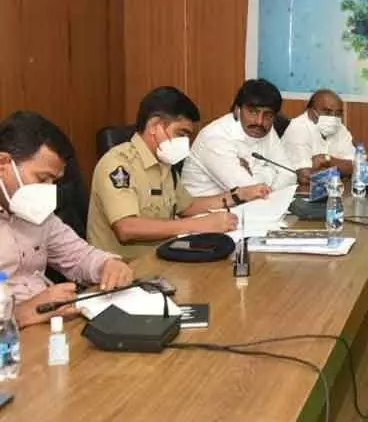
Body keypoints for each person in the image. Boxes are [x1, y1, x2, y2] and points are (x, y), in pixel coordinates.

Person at [0, 111, 133, 327]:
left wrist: (108, 265)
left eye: (54, 181)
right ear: (3, 163)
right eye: (42, 179)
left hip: (52, 329)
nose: (49, 190)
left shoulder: (35, 213)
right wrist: (22, 313)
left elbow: (79, 256)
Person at [87, 87, 247, 260]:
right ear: (155, 126)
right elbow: (126, 228)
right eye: (181, 134)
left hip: (162, 260)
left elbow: (188, 207)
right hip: (122, 271)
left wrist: (236, 196)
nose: (185, 143)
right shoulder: (118, 164)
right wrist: (199, 225)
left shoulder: (164, 162)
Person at [182, 79, 300, 197]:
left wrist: (256, 175)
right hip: (206, 212)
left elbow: (289, 175)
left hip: (251, 207)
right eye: (253, 112)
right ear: (237, 110)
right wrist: (270, 173)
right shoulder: (215, 137)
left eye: (268, 115)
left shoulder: (265, 129)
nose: (259, 121)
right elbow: (249, 192)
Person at [281, 89, 355, 175]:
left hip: (332, 186)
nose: (333, 118)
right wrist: (339, 166)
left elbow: (355, 166)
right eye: (327, 112)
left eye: (338, 113)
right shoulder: (298, 129)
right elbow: (305, 175)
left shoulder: (340, 128)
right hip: (296, 187)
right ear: (311, 112)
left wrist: (326, 159)